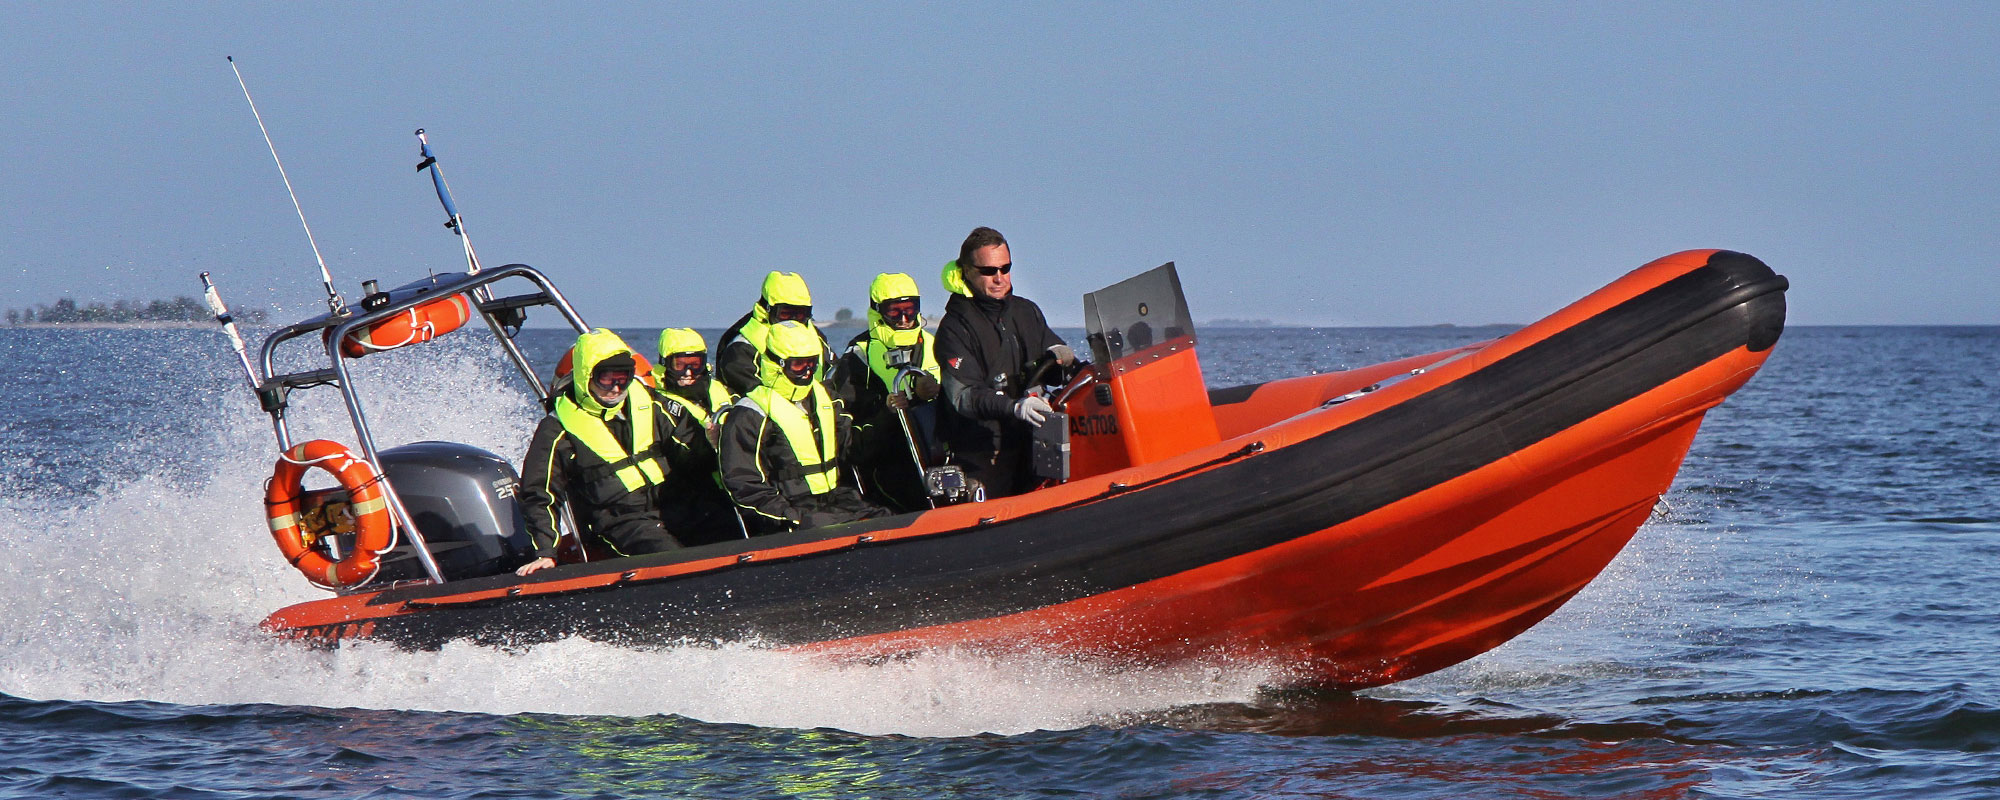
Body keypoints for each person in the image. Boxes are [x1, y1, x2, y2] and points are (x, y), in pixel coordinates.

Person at [516, 329, 712, 575]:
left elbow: (691, 448)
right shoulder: (556, 429)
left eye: (624, 378)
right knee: (671, 558)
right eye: (607, 380)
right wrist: (545, 551)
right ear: (586, 378)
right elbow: (539, 494)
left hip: (673, 503)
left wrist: (714, 443)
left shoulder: (652, 405)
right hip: (621, 522)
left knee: (725, 528)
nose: (616, 389)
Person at [933, 226, 1077, 499]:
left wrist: (1067, 360)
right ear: (966, 271)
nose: (999, 278)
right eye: (988, 271)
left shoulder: (1026, 311)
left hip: (1034, 441)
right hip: (982, 451)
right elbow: (965, 396)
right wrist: (1015, 408)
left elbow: (1054, 356)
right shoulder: (954, 328)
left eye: (1005, 268)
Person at [720, 319, 889, 534]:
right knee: (828, 527)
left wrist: (888, 415)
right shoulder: (751, 413)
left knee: (884, 518)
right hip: (791, 509)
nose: (807, 373)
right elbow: (743, 482)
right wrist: (790, 516)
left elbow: (851, 448)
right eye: (799, 365)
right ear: (776, 364)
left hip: (836, 498)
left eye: (812, 364)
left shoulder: (826, 399)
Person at [835, 272, 943, 512]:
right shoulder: (859, 355)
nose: (904, 318)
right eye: (894, 311)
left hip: (935, 451)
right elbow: (851, 430)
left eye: (910, 309)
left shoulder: (935, 345)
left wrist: (937, 392)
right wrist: (890, 408)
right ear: (878, 311)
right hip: (887, 456)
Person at [648, 327, 746, 546]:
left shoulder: (722, 391)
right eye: (680, 365)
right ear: (666, 365)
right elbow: (682, 455)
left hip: (736, 480)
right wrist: (711, 444)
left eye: (695, 364)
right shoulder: (658, 406)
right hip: (690, 492)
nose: (688, 373)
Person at [714, 271, 835, 397]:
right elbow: (745, 390)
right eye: (786, 314)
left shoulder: (818, 339)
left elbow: (833, 375)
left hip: (814, 409)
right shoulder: (742, 346)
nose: (792, 321)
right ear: (767, 308)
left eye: (800, 314)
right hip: (762, 413)